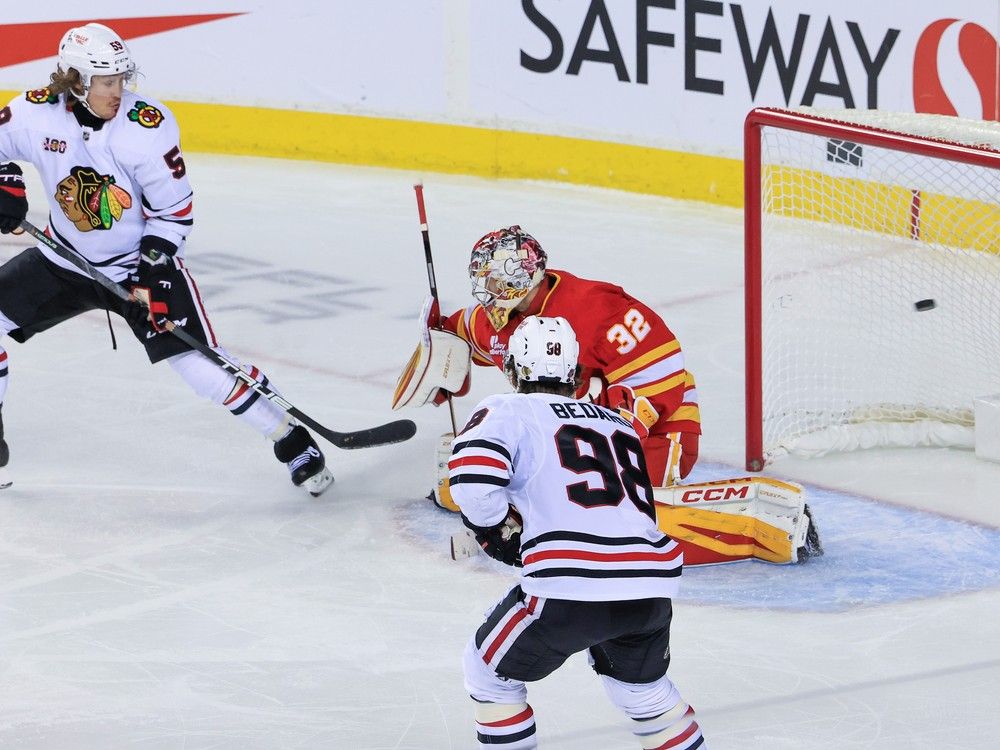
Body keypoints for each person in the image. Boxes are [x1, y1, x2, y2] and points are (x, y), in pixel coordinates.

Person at [0, 22, 332, 495]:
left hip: (137, 266)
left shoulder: (144, 130)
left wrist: (154, 271)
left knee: (201, 368)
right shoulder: (35, 113)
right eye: (106, 82)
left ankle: (291, 438)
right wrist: (6, 184)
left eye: (121, 79)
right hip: (63, 259)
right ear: (74, 81)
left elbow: (175, 214)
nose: (119, 91)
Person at [393, 224, 821, 565]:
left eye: (491, 283)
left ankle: (760, 521)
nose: (485, 295)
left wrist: (610, 446)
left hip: (651, 434)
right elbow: (464, 333)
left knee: (608, 522)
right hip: (571, 439)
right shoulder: (505, 315)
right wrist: (442, 348)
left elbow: (662, 373)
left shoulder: (598, 307)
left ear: (517, 280)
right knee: (478, 488)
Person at [450, 315, 706, 749]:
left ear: (511, 370)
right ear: (577, 374)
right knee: (642, 693)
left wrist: (491, 525)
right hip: (649, 586)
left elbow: (473, 477)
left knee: (488, 675)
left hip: (571, 584)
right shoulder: (619, 424)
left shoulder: (508, 409)